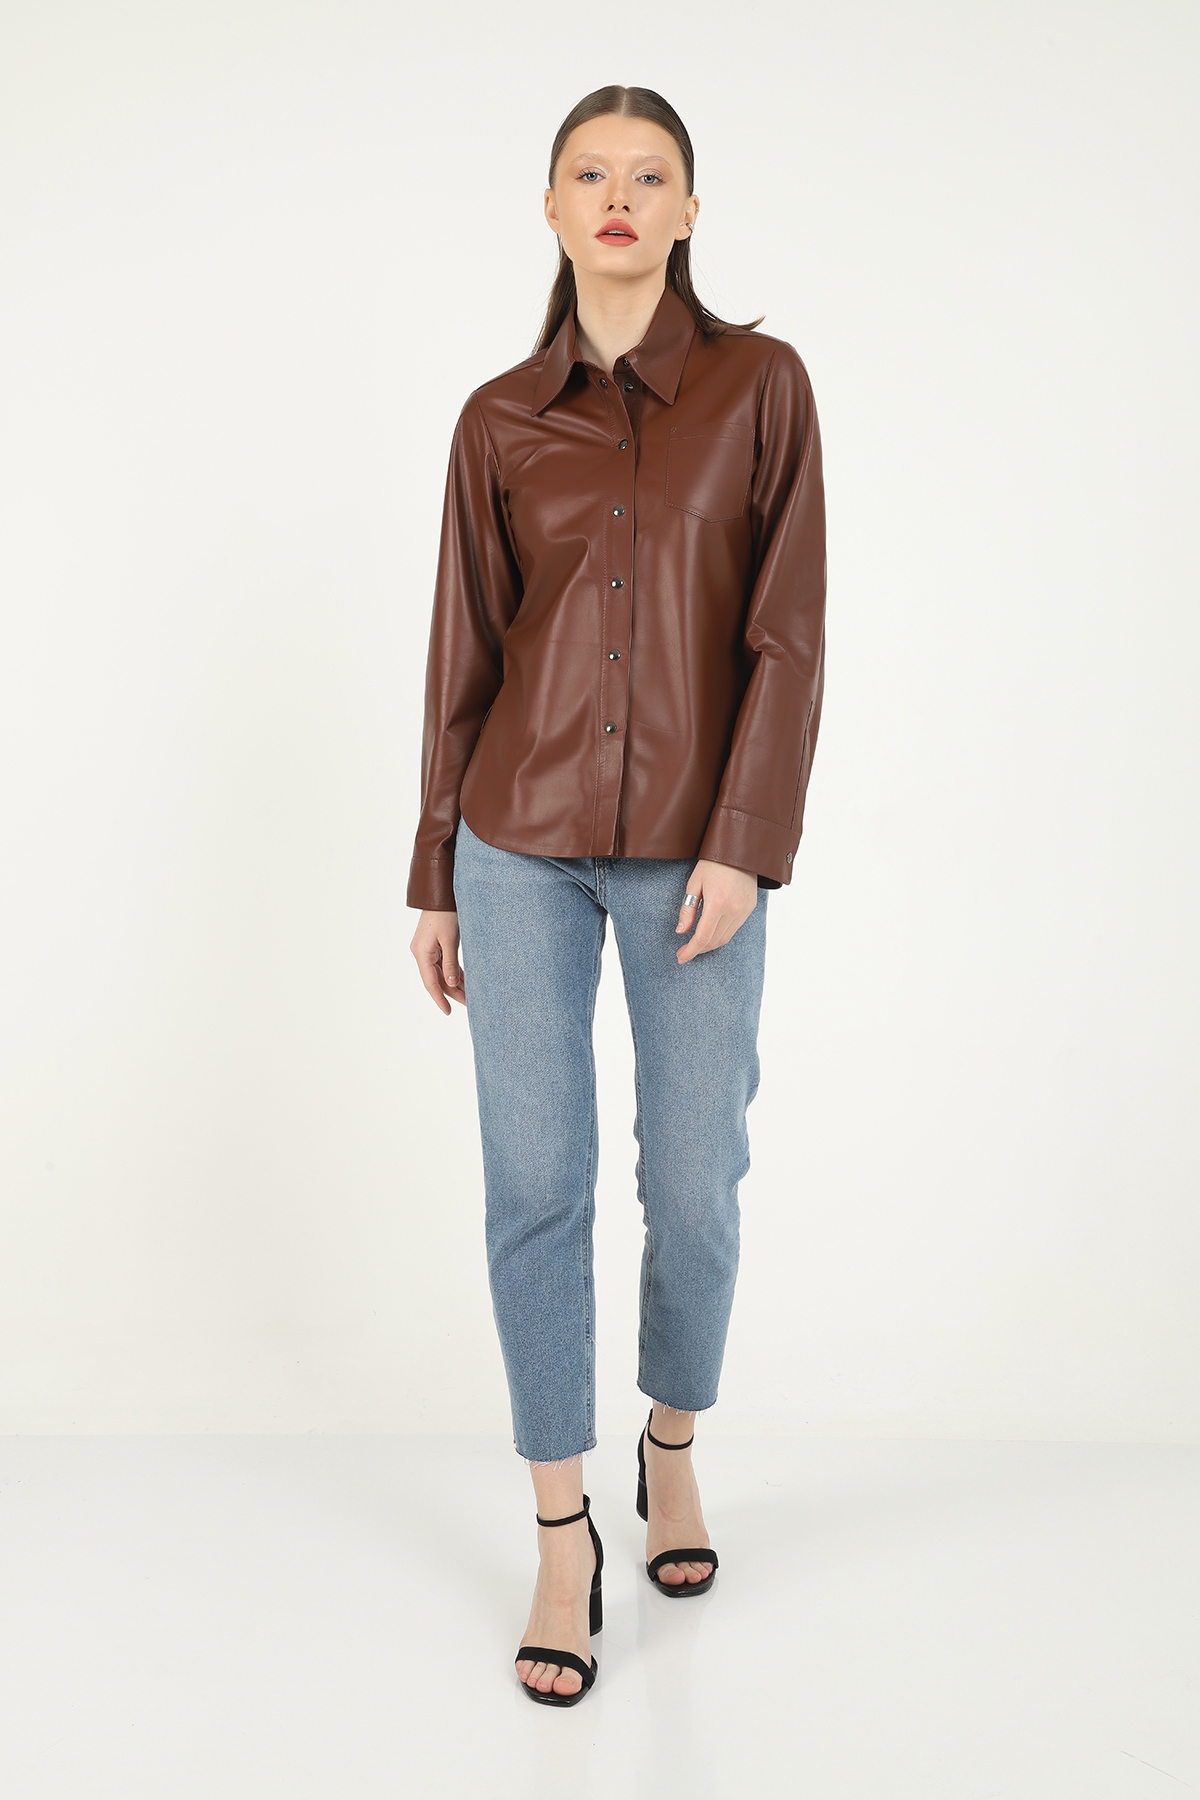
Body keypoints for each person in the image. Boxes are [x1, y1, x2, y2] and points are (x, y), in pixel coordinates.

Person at [407, 85, 826, 1706]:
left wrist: (746, 837)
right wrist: (436, 869)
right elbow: (463, 649)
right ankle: (561, 1530)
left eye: (652, 176)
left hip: (696, 854)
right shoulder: (498, 420)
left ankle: (672, 1446)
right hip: (515, 845)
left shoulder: (762, 389)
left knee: (698, 1183)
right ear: (550, 206)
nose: (620, 197)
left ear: (691, 211)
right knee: (535, 1186)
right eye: (591, 173)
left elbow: (786, 633)